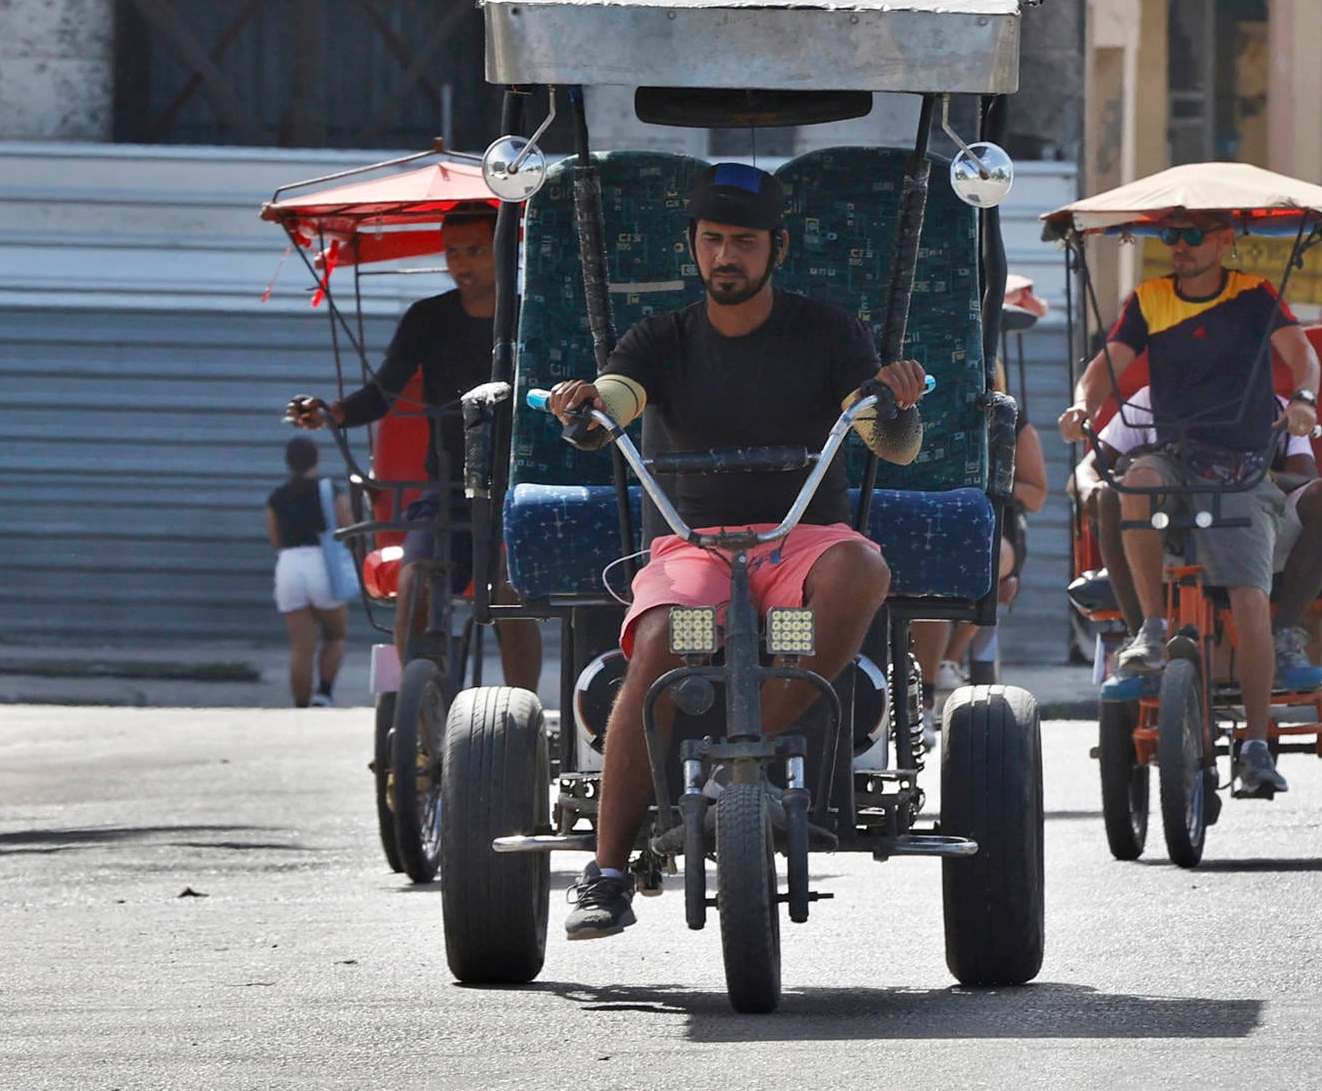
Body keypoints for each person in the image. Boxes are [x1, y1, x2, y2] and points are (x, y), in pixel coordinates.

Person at [543, 162, 927, 940]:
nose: (726, 256)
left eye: (743, 242)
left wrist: (897, 403)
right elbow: (613, 404)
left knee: (864, 566)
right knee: (659, 641)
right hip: (697, 552)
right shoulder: (657, 338)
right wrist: (584, 410)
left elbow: (886, 437)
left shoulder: (828, 331)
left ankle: (732, 777)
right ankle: (609, 870)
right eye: (712, 240)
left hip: (802, 551)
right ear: (693, 246)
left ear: (775, 248)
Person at [1057, 213, 1320, 797]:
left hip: (1241, 469)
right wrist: (1082, 409)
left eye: (1193, 235)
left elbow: (1304, 356)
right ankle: (1151, 627)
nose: (1179, 246)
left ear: (1225, 241)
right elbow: (1103, 370)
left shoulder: (1253, 295)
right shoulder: (1148, 300)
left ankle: (1255, 745)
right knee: (1136, 478)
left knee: (1251, 599)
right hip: (1173, 455)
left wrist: (1303, 400)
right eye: (1171, 236)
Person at [290, 209, 541, 690]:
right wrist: (331, 413)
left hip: (517, 491)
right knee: (414, 577)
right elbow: (383, 391)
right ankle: (420, 702)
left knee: (512, 594)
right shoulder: (429, 317)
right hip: (448, 489)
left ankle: (519, 712)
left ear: (503, 251)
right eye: (452, 252)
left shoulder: (529, 316)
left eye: (475, 250)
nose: (462, 264)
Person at [1082, 387, 1322, 688]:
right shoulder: (1148, 402)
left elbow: (1306, 478)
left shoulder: (1276, 407)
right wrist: (1089, 488)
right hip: (1169, 532)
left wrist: (1253, 476)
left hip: (1253, 528)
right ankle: (1142, 639)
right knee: (1111, 498)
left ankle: (1284, 636)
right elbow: (1087, 469)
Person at [909, 377, 1047, 709]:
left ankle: (944, 668)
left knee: (947, 559)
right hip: (919, 521)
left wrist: (987, 487)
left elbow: (1037, 493)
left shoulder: (1008, 418)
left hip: (992, 529)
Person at [266, 435, 352, 707]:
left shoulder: (277, 497)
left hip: (289, 566)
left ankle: (300, 707)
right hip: (322, 564)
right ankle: (323, 694)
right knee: (335, 636)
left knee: (302, 647)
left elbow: (276, 540)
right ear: (316, 457)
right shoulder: (329, 490)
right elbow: (348, 527)